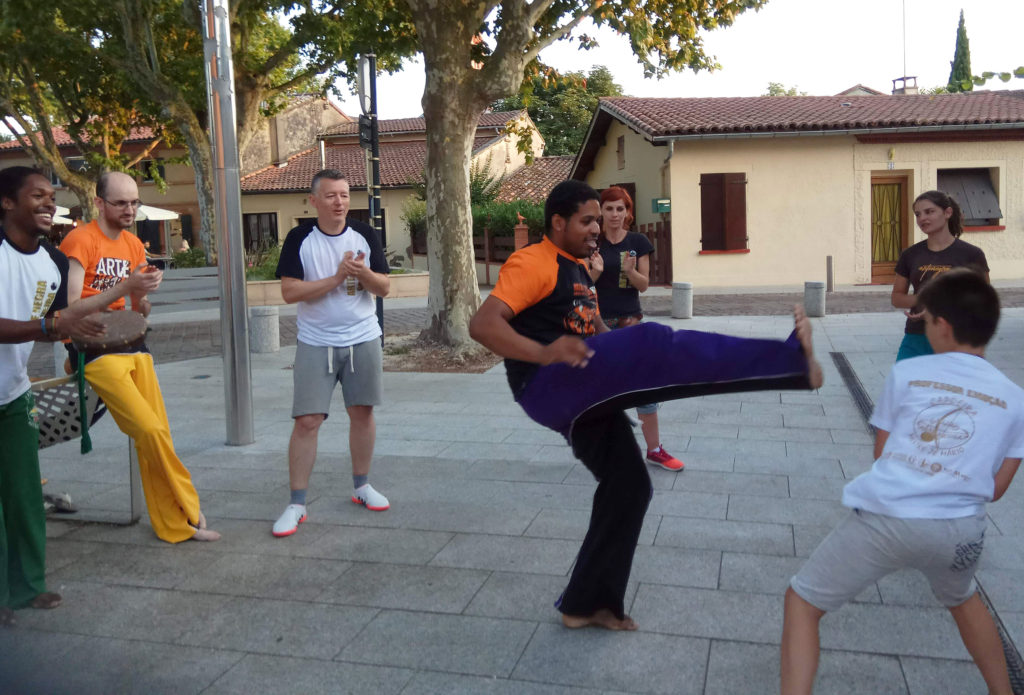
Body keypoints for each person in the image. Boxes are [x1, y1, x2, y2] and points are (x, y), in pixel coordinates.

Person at [469, 179, 823, 631]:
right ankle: (791, 363)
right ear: (557, 223)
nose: (597, 228)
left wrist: (625, 352)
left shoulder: (577, 268)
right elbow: (482, 325)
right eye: (587, 220)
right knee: (656, 339)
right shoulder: (531, 261)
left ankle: (587, 604)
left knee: (630, 485)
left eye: (600, 218)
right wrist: (545, 352)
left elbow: (595, 329)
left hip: (578, 389)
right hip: (546, 383)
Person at [781, 269, 1022, 695]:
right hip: (962, 528)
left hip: (889, 519)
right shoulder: (1015, 398)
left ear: (942, 326)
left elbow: (882, 455)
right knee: (964, 600)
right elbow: (997, 488)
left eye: (926, 321)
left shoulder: (909, 375)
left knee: (802, 602)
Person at [59, 171, 219, 543]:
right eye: (121, 203)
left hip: (132, 344)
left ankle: (175, 523)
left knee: (158, 433)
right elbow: (71, 309)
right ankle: (189, 509)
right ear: (99, 203)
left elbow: (140, 311)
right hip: (93, 349)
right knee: (147, 430)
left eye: (135, 202)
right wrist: (126, 285)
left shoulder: (133, 244)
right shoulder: (80, 240)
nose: (130, 209)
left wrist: (142, 293)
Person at [0, 166, 109, 625]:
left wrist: (78, 341)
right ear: (7, 203)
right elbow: (44, 323)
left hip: (12, 395)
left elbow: (55, 319)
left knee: (23, 497)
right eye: (38, 196)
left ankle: (25, 589)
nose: (49, 203)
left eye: (52, 196)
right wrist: (49, 326)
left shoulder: (51, 262)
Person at [271, 169, 391, 538]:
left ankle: (361, 486)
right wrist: (338, 278)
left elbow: (384, 287)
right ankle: (296, 504)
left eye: (344, 194)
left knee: (362, 412)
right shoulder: (299, 238)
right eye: (331, 196)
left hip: (363, 337)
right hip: (315, 341)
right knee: (307, 421)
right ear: (314, 201)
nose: (339, 202)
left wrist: (362, 273)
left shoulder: (364, 235)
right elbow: (290, 293)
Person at [589, 185, 683, 471]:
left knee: (645, 387)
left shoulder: (638, 242)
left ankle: (654, 450)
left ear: (627, 212)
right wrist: (595, 272)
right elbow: (581, 287)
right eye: (609, 208)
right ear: (601, 211)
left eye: (620, 208)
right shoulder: (591, 244)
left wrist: (630, 271)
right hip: (598, 326)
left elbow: (644, 285)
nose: (615, 214)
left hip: (631, 322)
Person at [891, 189, 988, 361]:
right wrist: (924, 300)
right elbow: (897, 298)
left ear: (948, 212)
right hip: (917, 336)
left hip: (959, 337)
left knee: (954, 387)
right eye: (918, 214)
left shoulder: (971, 254)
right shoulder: (910, 255)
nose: (922, 218)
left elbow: (984, 300)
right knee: (906, 383)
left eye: (929, 212)